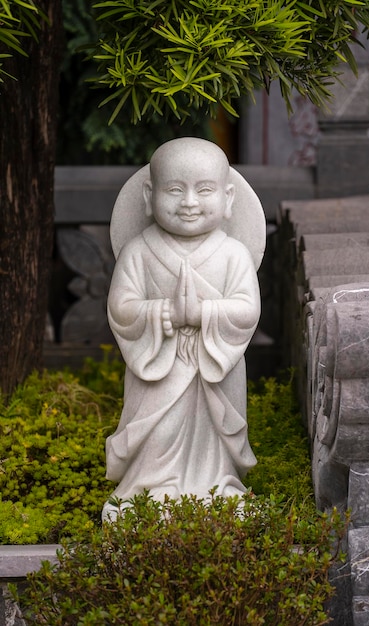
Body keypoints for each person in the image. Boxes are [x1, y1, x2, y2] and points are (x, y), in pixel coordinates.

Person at [102, 138, 264, 519]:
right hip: (159, 361)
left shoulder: (234, 254)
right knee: (159, 431)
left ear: (227, 199)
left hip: (214, 363)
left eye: (204, 190)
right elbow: (121, 308)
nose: (189, 202)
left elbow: (246, 310)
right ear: (149, 195)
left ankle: (216, 488)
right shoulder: (138, 251)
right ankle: (148, 490)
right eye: (174, 190)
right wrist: (165, 313)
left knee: (212, 438)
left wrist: (203, 314)